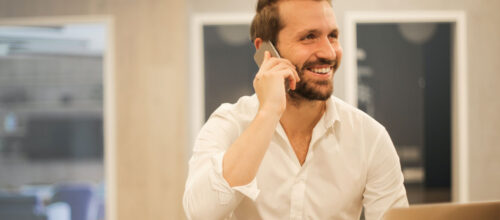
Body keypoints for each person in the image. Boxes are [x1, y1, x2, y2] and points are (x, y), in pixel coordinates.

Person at [183, 0, 409, 219]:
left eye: (332, 36)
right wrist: (268, 112)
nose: (329, 53)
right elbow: (201, 214)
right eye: (309, 37)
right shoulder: (228, 124)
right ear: (266, 52)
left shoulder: (370, 138)